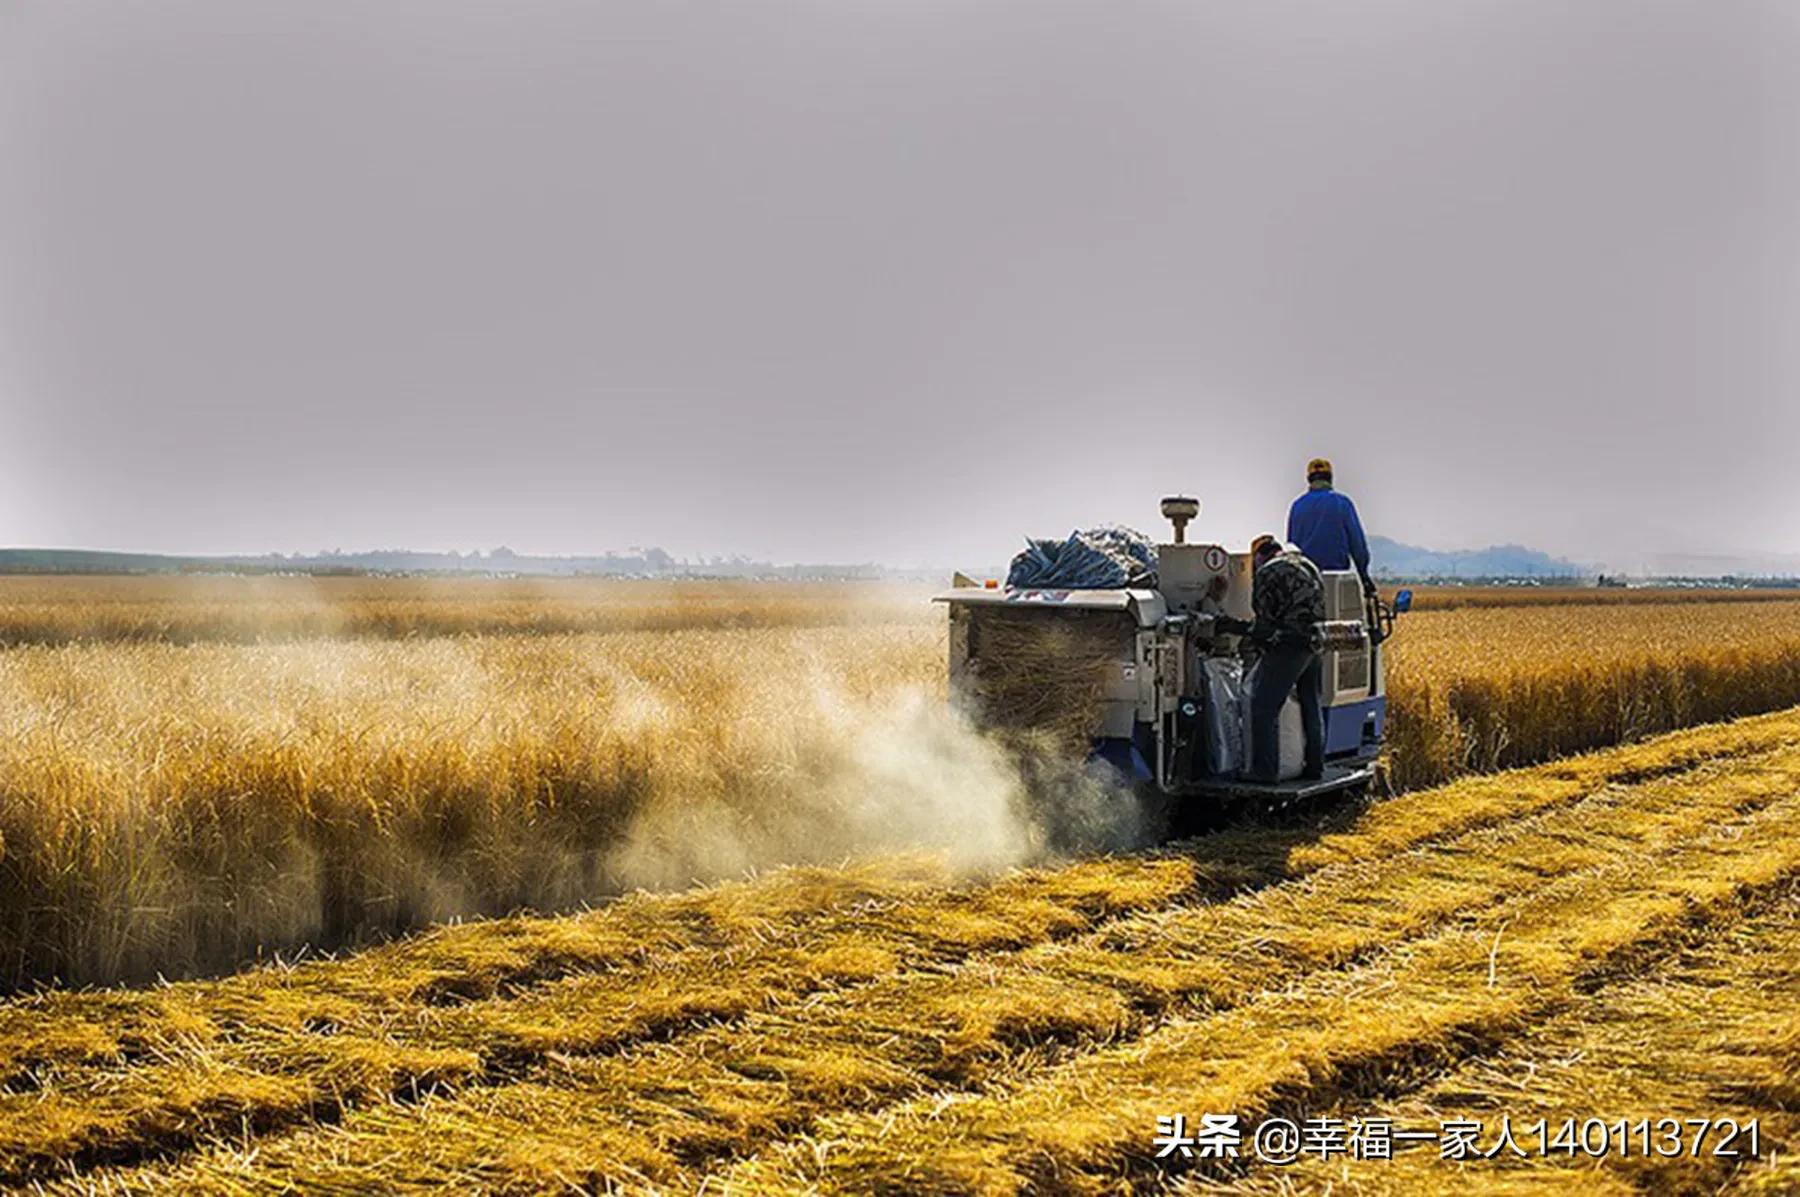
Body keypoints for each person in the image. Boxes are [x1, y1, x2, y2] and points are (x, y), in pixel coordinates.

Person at [1219, 535, 1327, 782]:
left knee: (1263, 707)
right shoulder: (1307, 564)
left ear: (1259, 556)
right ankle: (1315, 767)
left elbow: (1264, 626)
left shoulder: (1268, 573)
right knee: (1311, 704)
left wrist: (1234, 629)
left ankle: (1264, 772)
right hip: (1316, 642)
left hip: (1289, 646)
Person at [1286, 457, 1375, 599]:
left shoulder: (1297, 506)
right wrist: (1364, 576)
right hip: (1336, 580)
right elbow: (1357, 545)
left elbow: (1291, 546)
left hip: (1305, 583)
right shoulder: (1342, 503)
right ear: (1330, 479)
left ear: (1309, 479)